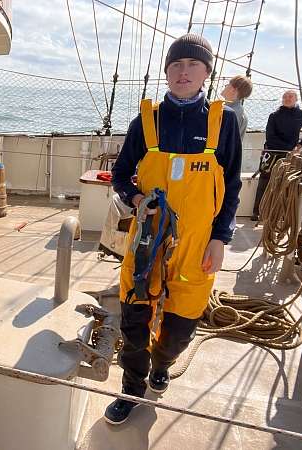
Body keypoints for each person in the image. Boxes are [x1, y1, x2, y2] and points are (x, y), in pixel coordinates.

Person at [105, 34, 242, 425]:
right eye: (176, 65)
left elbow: (231, 186)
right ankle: (131, 387)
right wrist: (136, 199)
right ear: (166, 72)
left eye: (192, 65)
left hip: (198, 243)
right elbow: (120, 176)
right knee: (135, 318)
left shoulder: (223, 123)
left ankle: (163, 363)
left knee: (182, 322)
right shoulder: (146, 121)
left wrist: (220, 238)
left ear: (206, 73)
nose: (183, 72)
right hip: (148, 239)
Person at [251, 89, 302, 220]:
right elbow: (270, 136)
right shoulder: (274, 115)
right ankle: (257, 212)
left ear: (296, 99)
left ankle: (280, 214)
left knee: (286, 183)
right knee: (264, 181)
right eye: (285, 96)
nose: (287, 98)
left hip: (289, 154)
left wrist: (300, 145)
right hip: (272, 153)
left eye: (290, 97)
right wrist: (289, 148)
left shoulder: (301, 114)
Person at [220, 74, 253, 140]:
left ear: (234, 90)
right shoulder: (239, 112)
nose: (225, 86)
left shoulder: (230, 112)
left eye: (228, 85)